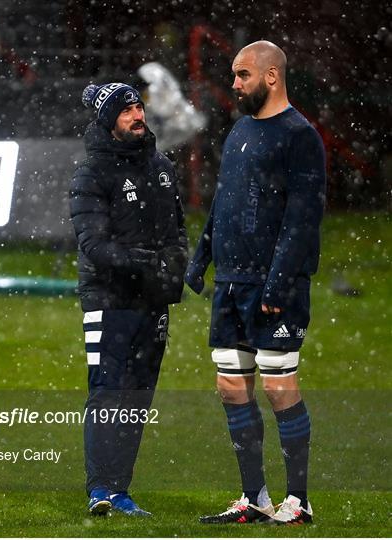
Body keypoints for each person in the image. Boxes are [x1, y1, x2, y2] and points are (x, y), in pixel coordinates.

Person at [185, 41, 326, 525]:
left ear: (271, 77)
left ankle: (299, 501)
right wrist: (200, 257)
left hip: (272, 286)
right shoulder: (240, 131)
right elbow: (223, 204)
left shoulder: (299, 135)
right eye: (234, 74)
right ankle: (254, 498)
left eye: (242, 75)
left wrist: (279, 282)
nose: (235, 83)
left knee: (278, 385)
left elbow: (303, 218)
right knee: (231, 385)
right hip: (230, 283)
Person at [69, 82, 188, 517]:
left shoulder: (161, 166)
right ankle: (99, 488)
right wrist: (147, 262)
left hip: (151, 300)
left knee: (138, 395)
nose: (137, 115)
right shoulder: (90, 174)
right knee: (107, 391)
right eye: (126, 111)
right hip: (109, 299)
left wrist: (175, 264)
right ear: (108, 122)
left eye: (139, 106)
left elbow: (176, 229)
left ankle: (120, 490)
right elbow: (94, 245)